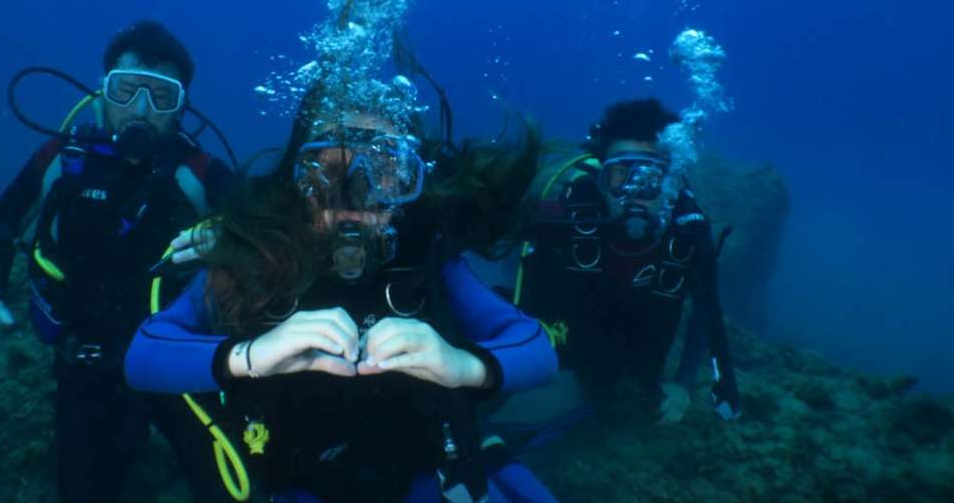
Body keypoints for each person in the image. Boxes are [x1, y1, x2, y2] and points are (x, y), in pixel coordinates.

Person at [124, 84, 560, 503]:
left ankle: (496, 453)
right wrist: (252, 355)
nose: (355, 194)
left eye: (384, 171)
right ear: (298, 180)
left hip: (426, 475)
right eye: (329, 169)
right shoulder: (260, 256)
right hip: (300, 483)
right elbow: (143, 356)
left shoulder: (427, 259)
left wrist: (462, 365)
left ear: (411, 183)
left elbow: (538, 349)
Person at [0, 20, 236, 502]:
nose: (141, 111)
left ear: (182, 105)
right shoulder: (61, 159)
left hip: (181, 367)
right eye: (127, 91)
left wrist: (233, 236)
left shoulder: (200, 174)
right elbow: (1, 221)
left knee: (231, 486)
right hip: (84, 369)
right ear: (103, 92)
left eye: (161, 97)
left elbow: (271, 234)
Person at [511, 98, 741, 427]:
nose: (635, 193)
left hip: (642, 359)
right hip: (567, 349)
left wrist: (682, 383)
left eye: (652, 178)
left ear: (672, 181)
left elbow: (706, 312)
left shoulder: (689, 233)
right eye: (621, 175)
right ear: (601, 176)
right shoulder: (563, 218)